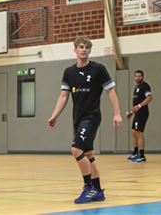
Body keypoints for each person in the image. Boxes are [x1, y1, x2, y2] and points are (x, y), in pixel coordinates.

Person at [47, 37, 122, 204]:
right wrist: (54, 115)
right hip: (78, 118)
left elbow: (111, 92)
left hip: (92, 116)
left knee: (76, 149)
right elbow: (63, 96)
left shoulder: (98, 69)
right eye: (81, 47)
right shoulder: (69, 72)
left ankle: (88, 188)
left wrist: (117, 113)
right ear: (75, 49)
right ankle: (98, 191)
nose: (84, 50)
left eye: (87, 47)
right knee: (88, 154)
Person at [126, 70, 152, 163]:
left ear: (143, 77)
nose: (138, 78)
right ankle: (135, 152)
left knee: (139, 133)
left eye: (140, 76)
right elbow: (136, 105)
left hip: (143, 113)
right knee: (133, 132)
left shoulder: (145, 86)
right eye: (136, 76)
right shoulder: (137, 87)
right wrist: (131, 112)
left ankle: (141, 155)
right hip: (137, 113)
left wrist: (140, 106)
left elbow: (149, 98)